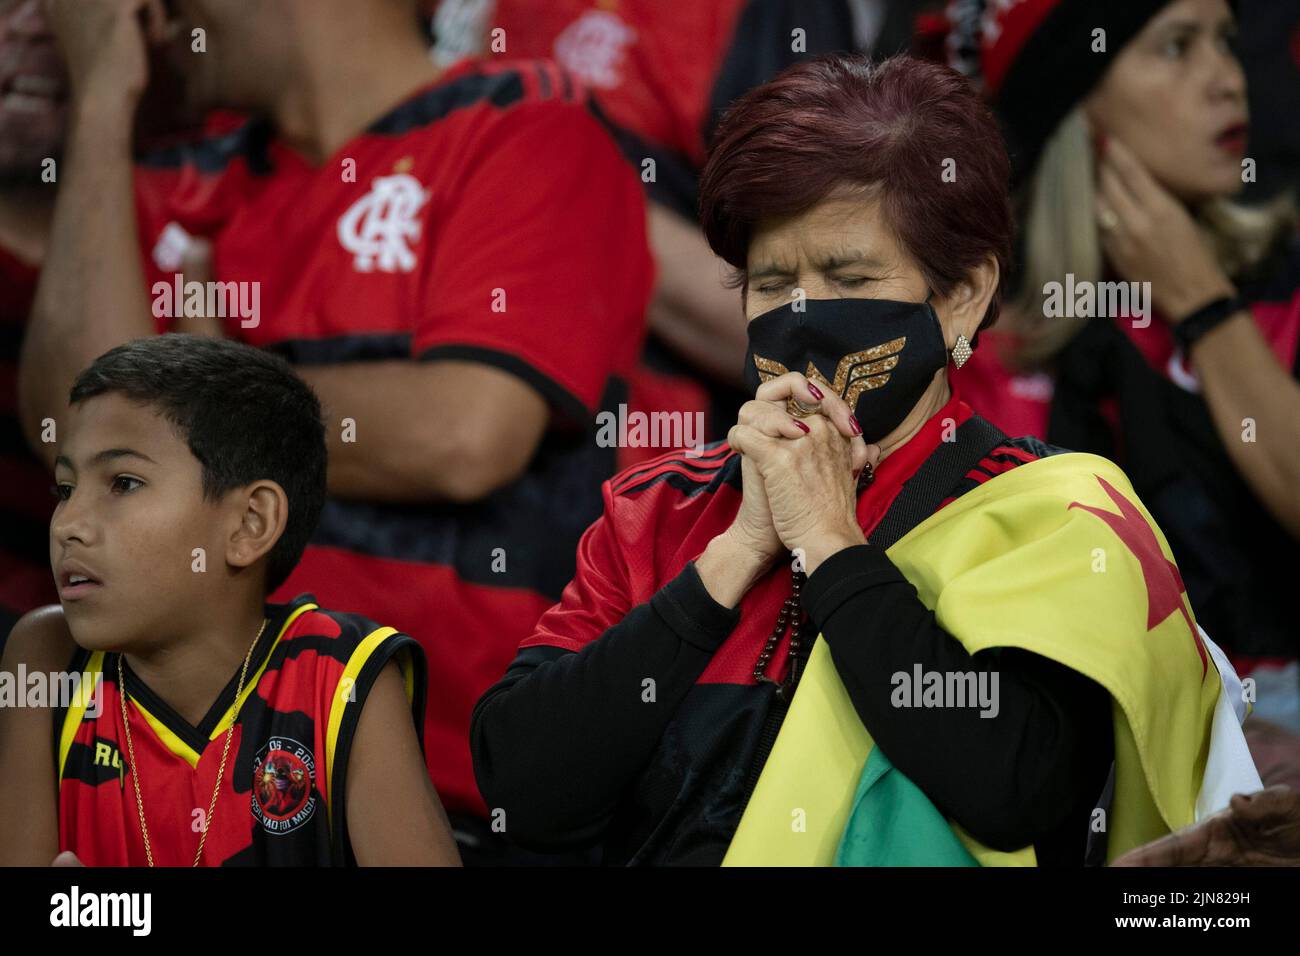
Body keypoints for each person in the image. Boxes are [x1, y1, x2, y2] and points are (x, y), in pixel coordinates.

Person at [471, 53, 1236, 867]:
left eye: (849, 276)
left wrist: (832, 545)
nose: (803, 317)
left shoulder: (1057, 513)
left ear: (964, 296)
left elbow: (1016, 788)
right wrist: (732, 559)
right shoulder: (658, 507)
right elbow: (521, 792)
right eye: (772, 284)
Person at [17, 0, 652, 862]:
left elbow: (466, 429)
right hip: (160, 809)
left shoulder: (527, 123)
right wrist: (100, 102)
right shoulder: (183, 178)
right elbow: (79, 428)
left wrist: (213, 394)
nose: (153, 16)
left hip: (468, 815)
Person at [944, 0, 1300, 740]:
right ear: (1077, 102)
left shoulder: (1282, 286)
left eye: (1225, 43)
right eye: (1177, 47)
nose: (1229, 80)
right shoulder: (977, 347)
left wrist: (1198, 298)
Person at [0, 335, 461, 866]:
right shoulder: (47, 656)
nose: (69, 525)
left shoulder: (341, 676)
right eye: (65, 489)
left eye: (123, 483)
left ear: (250, 523)